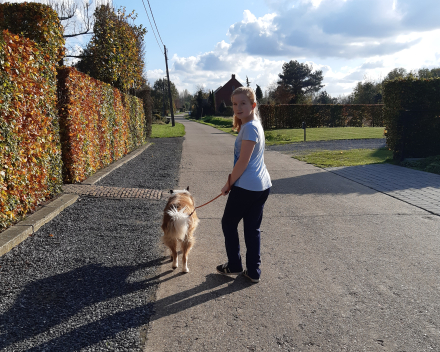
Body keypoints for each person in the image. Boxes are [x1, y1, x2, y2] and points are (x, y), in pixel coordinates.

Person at [216, 86, 272, 283]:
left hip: (246, 187)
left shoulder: (249, 128)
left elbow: (243, 161)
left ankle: (234, 264)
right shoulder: (255, 124)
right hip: (262, 186)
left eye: (243, 103)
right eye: (234, 104)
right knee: (251, 229)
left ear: (253, 105)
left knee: (228, 223)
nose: (238, 107)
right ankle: (253, 271)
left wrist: (228, 183)